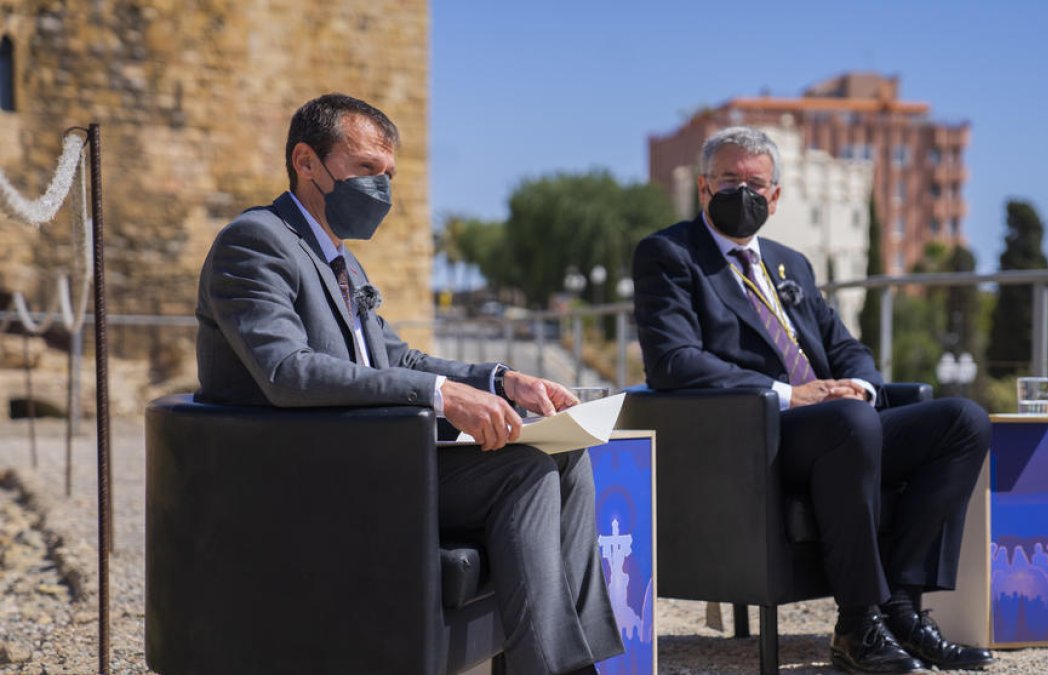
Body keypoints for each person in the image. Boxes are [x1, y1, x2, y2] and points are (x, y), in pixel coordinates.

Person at [194, 93, 622, 675]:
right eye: (366, 169)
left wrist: (502, 380)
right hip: (306, 476)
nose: (381, 188)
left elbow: (397, 357)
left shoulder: (342, 261)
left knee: (564, 454)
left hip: (377, 459)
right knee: (522, 472)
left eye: (388, 174)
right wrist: (441, 396)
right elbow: (286, 371)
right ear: (306, 161)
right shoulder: (254, 242)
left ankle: (573, 664)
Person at [632, 126, 994, 674]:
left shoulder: (789, 263)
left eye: (755, 184)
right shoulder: (670, 255)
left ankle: (900, 607)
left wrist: (862, 386)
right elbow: (673, 362)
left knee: (962, 420)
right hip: (754, 434)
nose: (742, 194)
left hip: (839, 425)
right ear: (704, 189)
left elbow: (846, 347)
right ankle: (857, 624)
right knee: (850, 422)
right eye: (728, 180)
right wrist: (788, 394)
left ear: (775, 197)